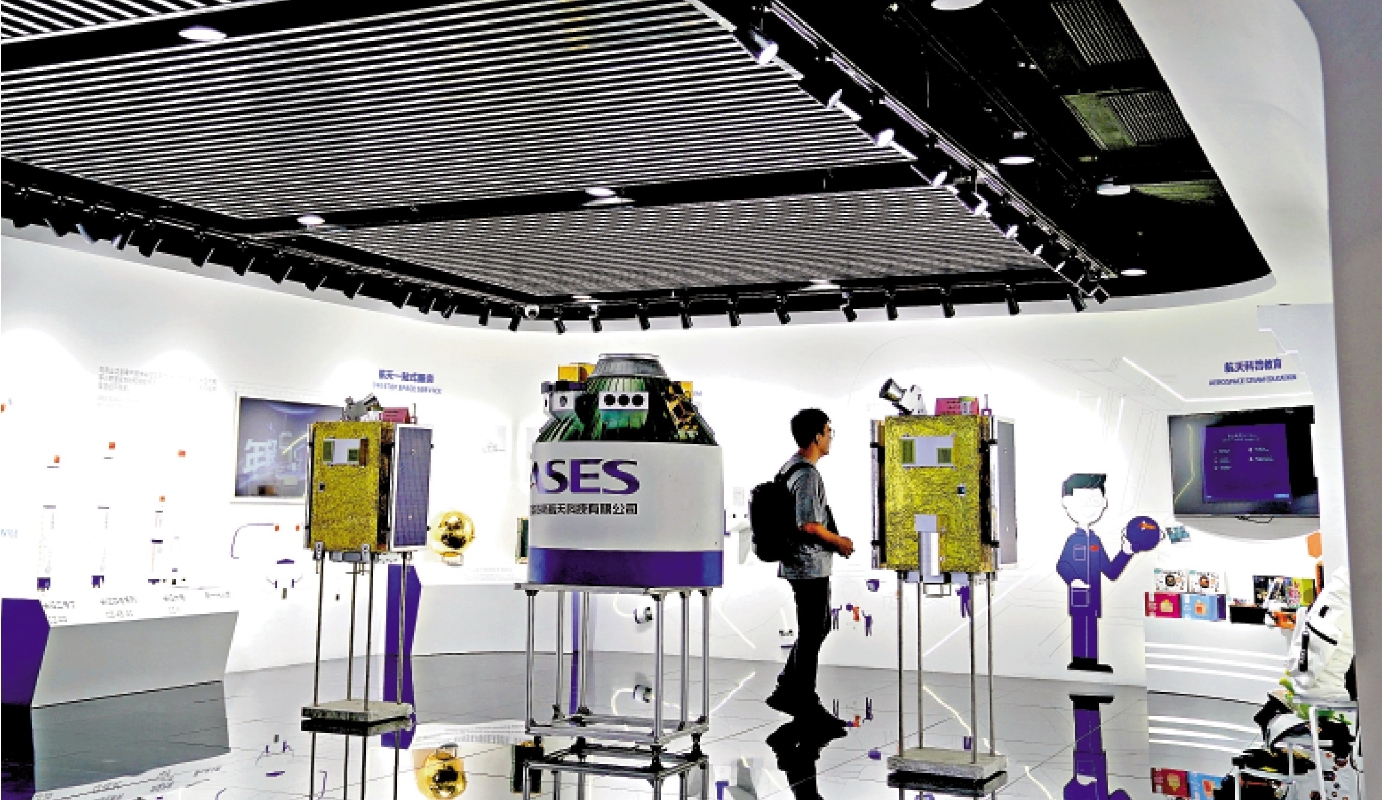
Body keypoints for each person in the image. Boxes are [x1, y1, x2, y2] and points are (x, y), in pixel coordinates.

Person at [764, 409, 854, 724]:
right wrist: (840, 541)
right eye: (828, 431)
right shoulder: (806, 475)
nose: (831, 437)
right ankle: (803, 699)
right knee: (813, 629)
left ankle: (788, 688)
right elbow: (809, 525)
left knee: (816, 627)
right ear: (817, 436)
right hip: (808, 564)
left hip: (803, 563)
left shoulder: (790, 467)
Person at [1055, 473, 1138, 672]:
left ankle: (1091, 661)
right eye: (1083, 501)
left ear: (1103, 502)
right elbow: (1062, 565)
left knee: (1091, 627)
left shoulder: (1095, 541)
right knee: (1080, 627)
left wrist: (1126, 552)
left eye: (1095, 501)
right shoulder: (1073, 540)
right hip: (1078, 595)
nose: (1089, 507)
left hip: (1093, 596)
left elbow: (1111, 571)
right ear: (1067, 503)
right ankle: (1078, 660)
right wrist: (1073, 579)